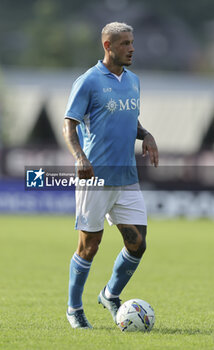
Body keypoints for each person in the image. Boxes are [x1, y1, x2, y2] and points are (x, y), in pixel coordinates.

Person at [63, 22, 159, 329]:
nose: (131, 48)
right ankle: (74, 309)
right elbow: (70, 123)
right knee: (89, 246)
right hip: (96, 177)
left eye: (132, 42)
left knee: (138, 244)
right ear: (108, 46)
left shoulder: (133, 81)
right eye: (124, 44)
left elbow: (128, 116)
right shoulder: (88, 81)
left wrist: (146, 134)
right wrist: (79, 156)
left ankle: (109, 294)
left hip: (127, 178)